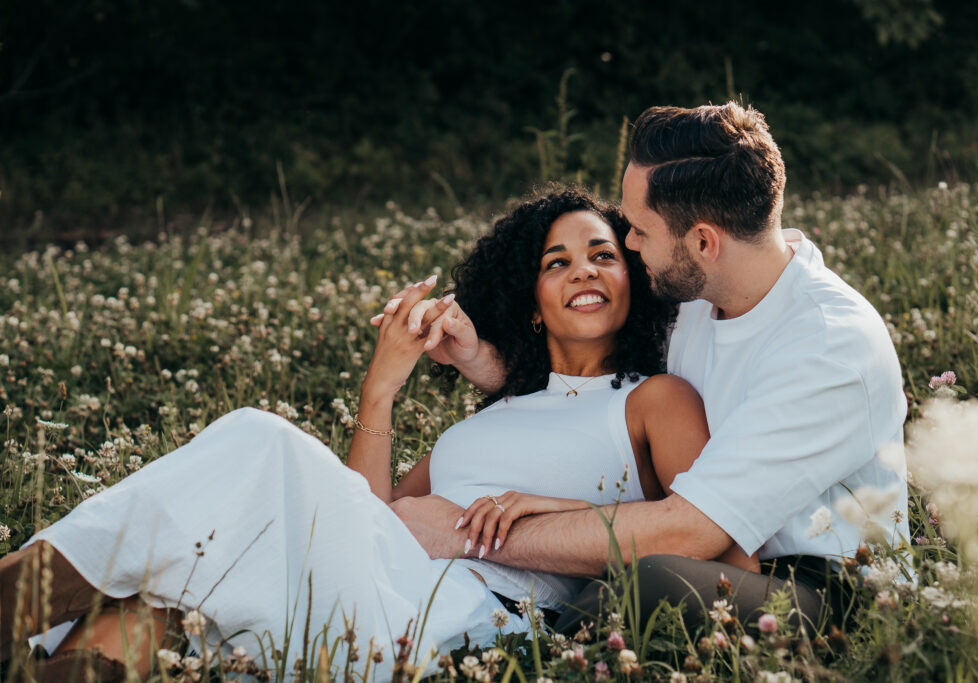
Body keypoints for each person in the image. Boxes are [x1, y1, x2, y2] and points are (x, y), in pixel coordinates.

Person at [0, 188, 759, 682]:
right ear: (531, 302)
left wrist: (539, 509)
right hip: (366, 588)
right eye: (556, 261)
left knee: (263, 441)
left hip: (447, 625)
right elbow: (364, 516)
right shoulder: (482, 423)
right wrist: (381, 387)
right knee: (158, 608)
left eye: (603, 254)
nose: (584, 270)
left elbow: (723, 547)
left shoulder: (654, 400)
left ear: (632, 277)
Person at [383, 103, 911, 633]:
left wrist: (464, 532)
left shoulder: (827, 346)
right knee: (624, 576)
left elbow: (689, 533)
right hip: (711, 556)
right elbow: (596, 384)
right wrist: (484, 360)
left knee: (644, 583)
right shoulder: (704, 292)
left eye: (638, 230)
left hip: (828, 593)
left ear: (704, 242)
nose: (629, 244)